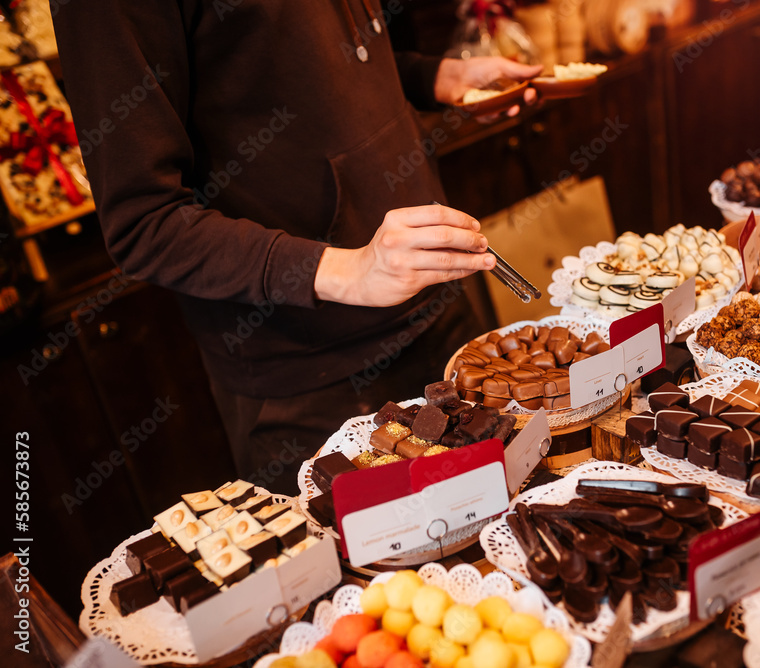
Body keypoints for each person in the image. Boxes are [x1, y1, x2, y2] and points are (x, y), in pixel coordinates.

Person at [52, 2, 541, 493]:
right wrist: (348, 270)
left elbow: (309, 60)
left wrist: (431, 76)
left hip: (441, 314)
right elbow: (143, 222)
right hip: (314, 378)